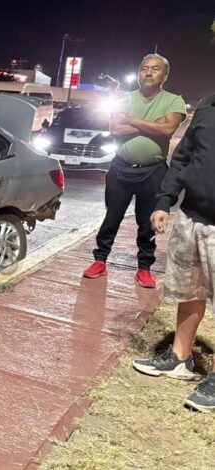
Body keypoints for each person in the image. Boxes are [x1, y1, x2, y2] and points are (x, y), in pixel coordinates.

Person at [132, 94, 215, 413]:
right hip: (193, 217)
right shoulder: (207, 107)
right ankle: (180, 357)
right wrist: (164, 200)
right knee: (190, 291)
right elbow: (183, 158)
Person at [83, 54, 186, 287]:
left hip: (154, 171)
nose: (148, 73)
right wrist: (153, 125)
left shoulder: (174, 101)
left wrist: (133, 121)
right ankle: (99, 260)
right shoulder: (124, 98)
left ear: (165, 75)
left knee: (146, 222)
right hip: (120, 169)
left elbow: (167, 130)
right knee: (112, 217)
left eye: (155, 69)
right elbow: (116, 128)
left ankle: (144, 267)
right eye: (144, 69)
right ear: (139, 73)